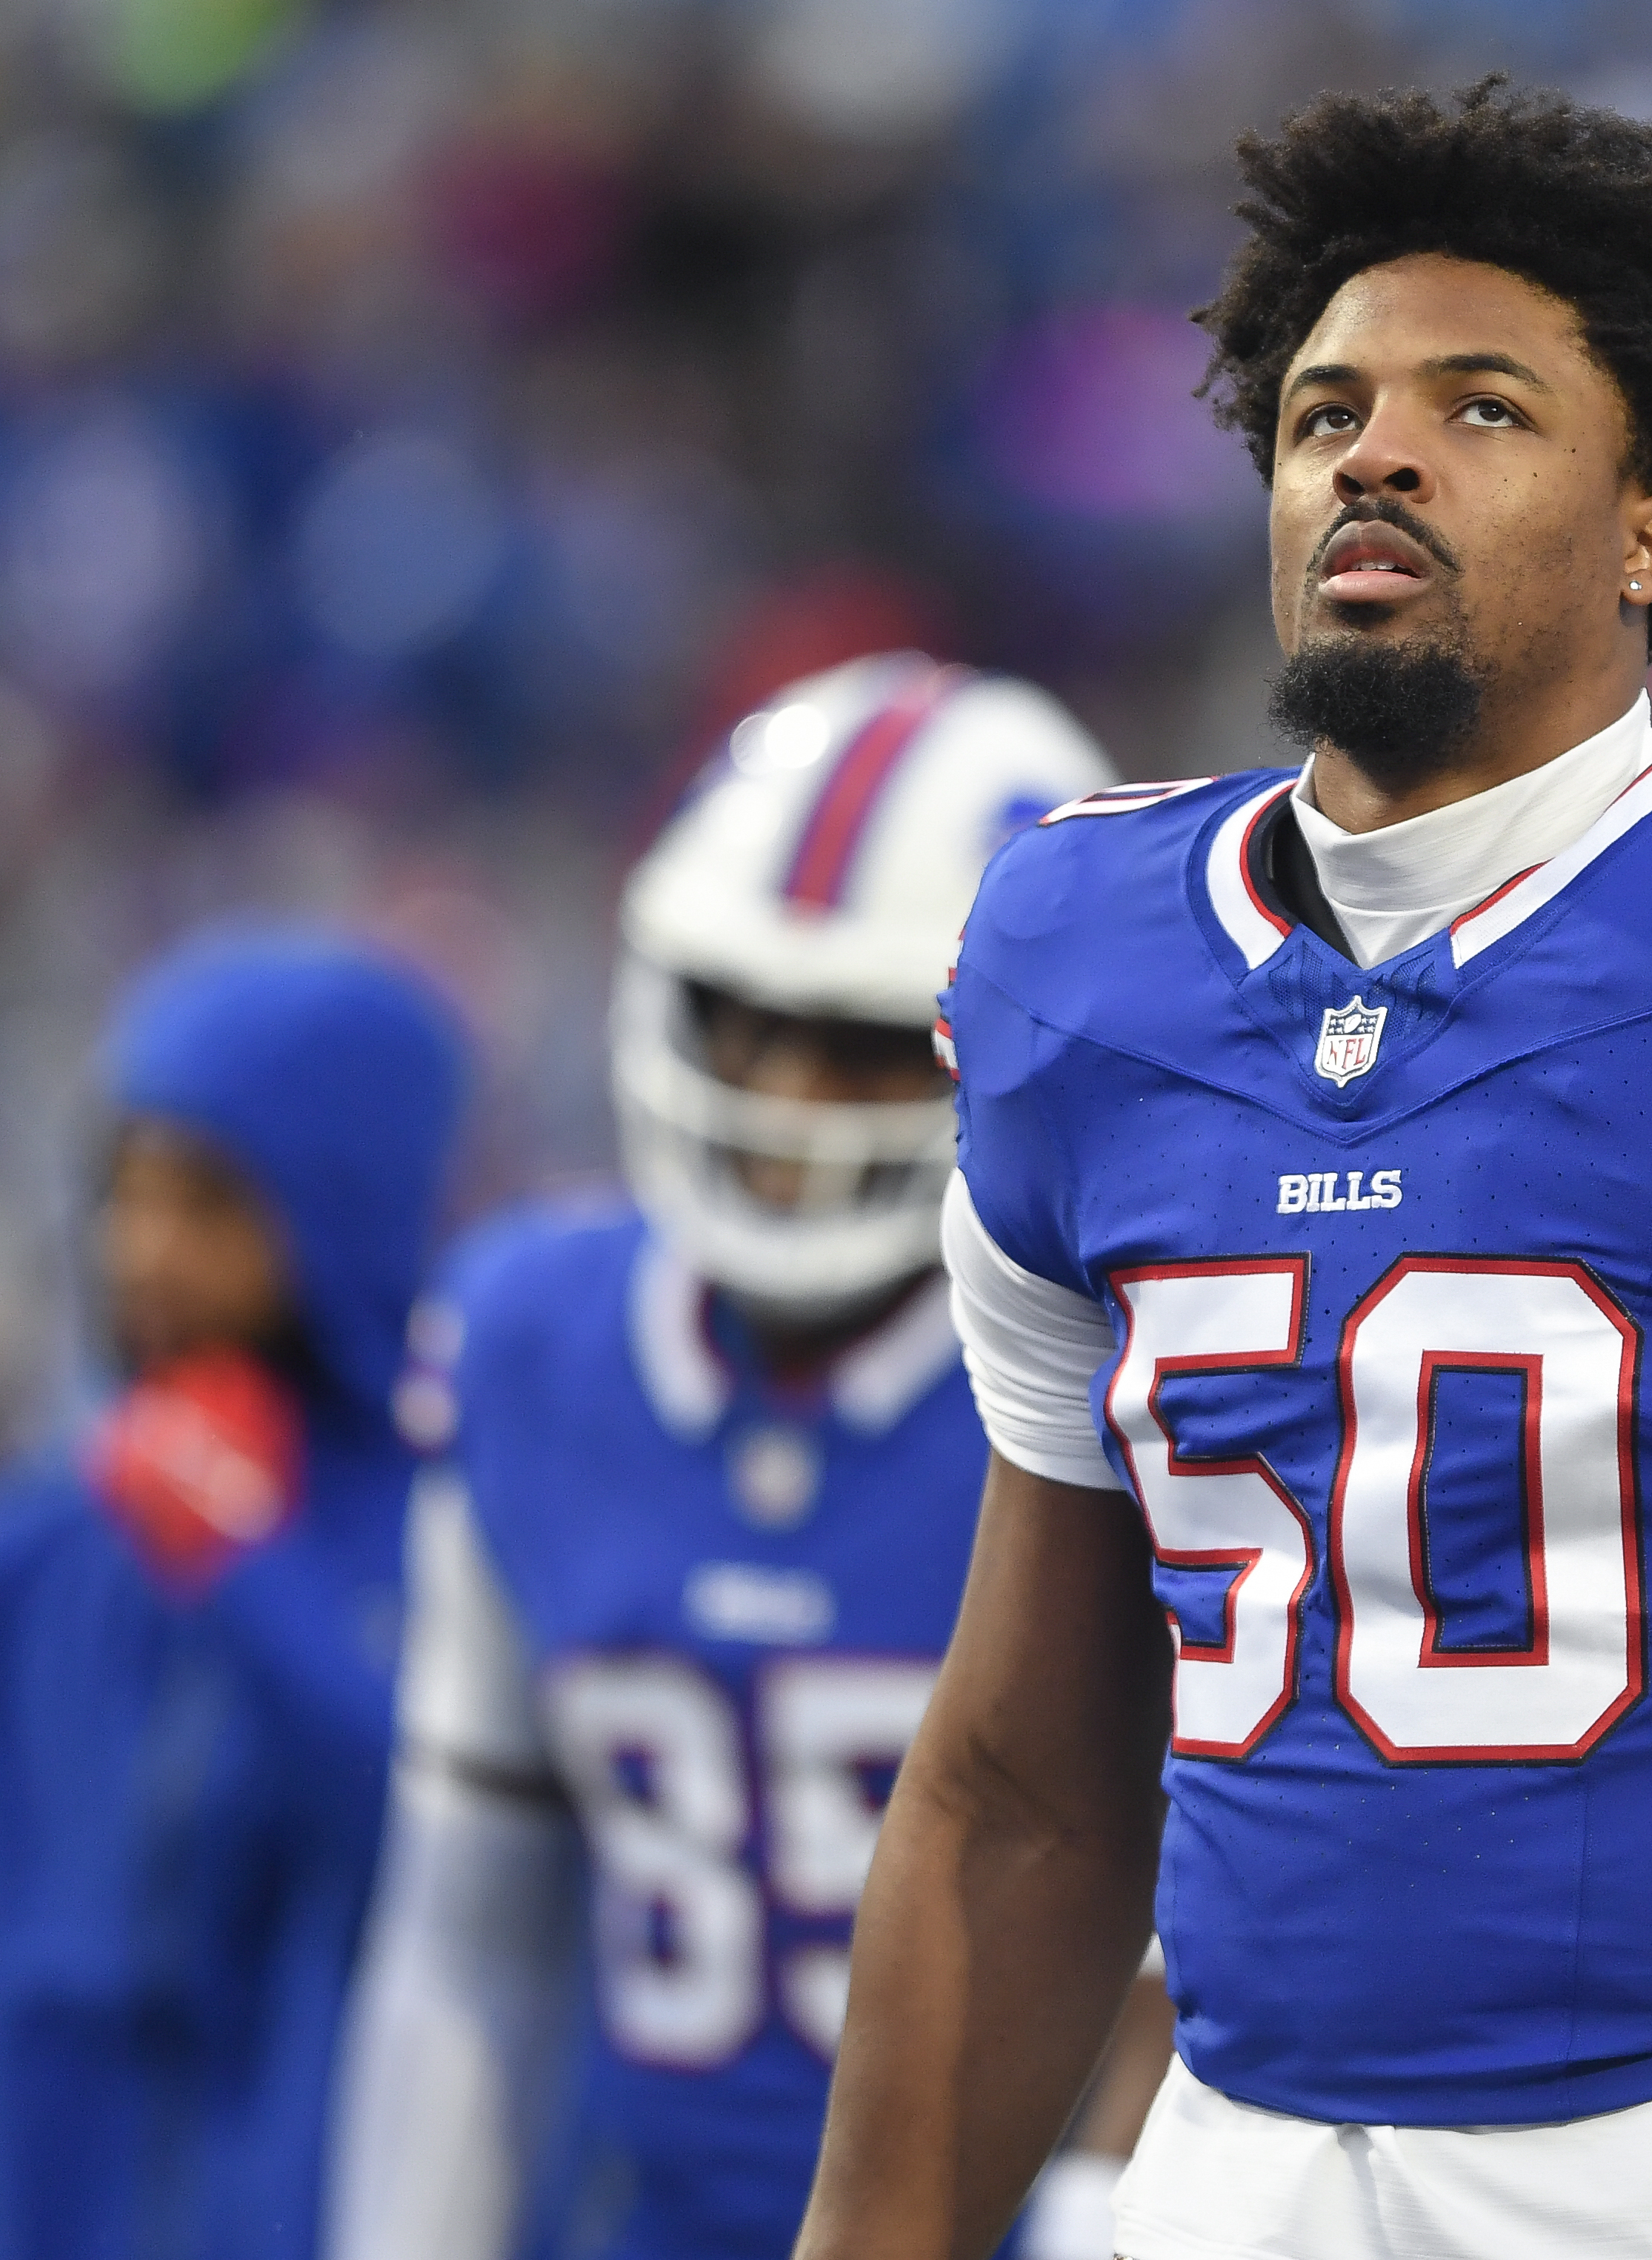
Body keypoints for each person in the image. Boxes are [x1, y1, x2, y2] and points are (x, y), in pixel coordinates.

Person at [795, 78, 1652, 2260]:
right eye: (1323, 406)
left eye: (1485, 406)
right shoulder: (1081, 971)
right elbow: (1030, 1787)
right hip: (1230, 2170)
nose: (1376, 448)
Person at [323, 657, 1157, 2260]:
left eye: (860, 1042)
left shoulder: (1133, 1374)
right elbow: (466, 1934)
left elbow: (1201, 1958)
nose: (785, 1107)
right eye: (743, 1020)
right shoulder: (531, 1338)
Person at [0, 930, 468, 2260]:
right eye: (123, 1194)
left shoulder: (445, 1528)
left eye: (208, 1201)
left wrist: (248, 1570)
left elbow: (446, 1868)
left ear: (347, 1205)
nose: (144, 1249)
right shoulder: (54, 1541)